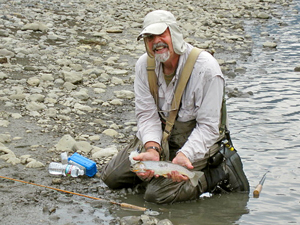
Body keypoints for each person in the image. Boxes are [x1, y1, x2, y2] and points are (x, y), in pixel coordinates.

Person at [101, 10, 249, 204]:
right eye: (150, 37)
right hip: (162, 138)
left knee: (156, 196)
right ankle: (160, 173)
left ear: (175, 34)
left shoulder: (206, 69)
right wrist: (152, 148)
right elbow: (146, 115)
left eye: (162, 34)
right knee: (111, 177)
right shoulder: (143, 66)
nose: (156, 42)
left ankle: (216, 174)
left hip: (199, 141)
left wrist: (184, 155)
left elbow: (209, 127)